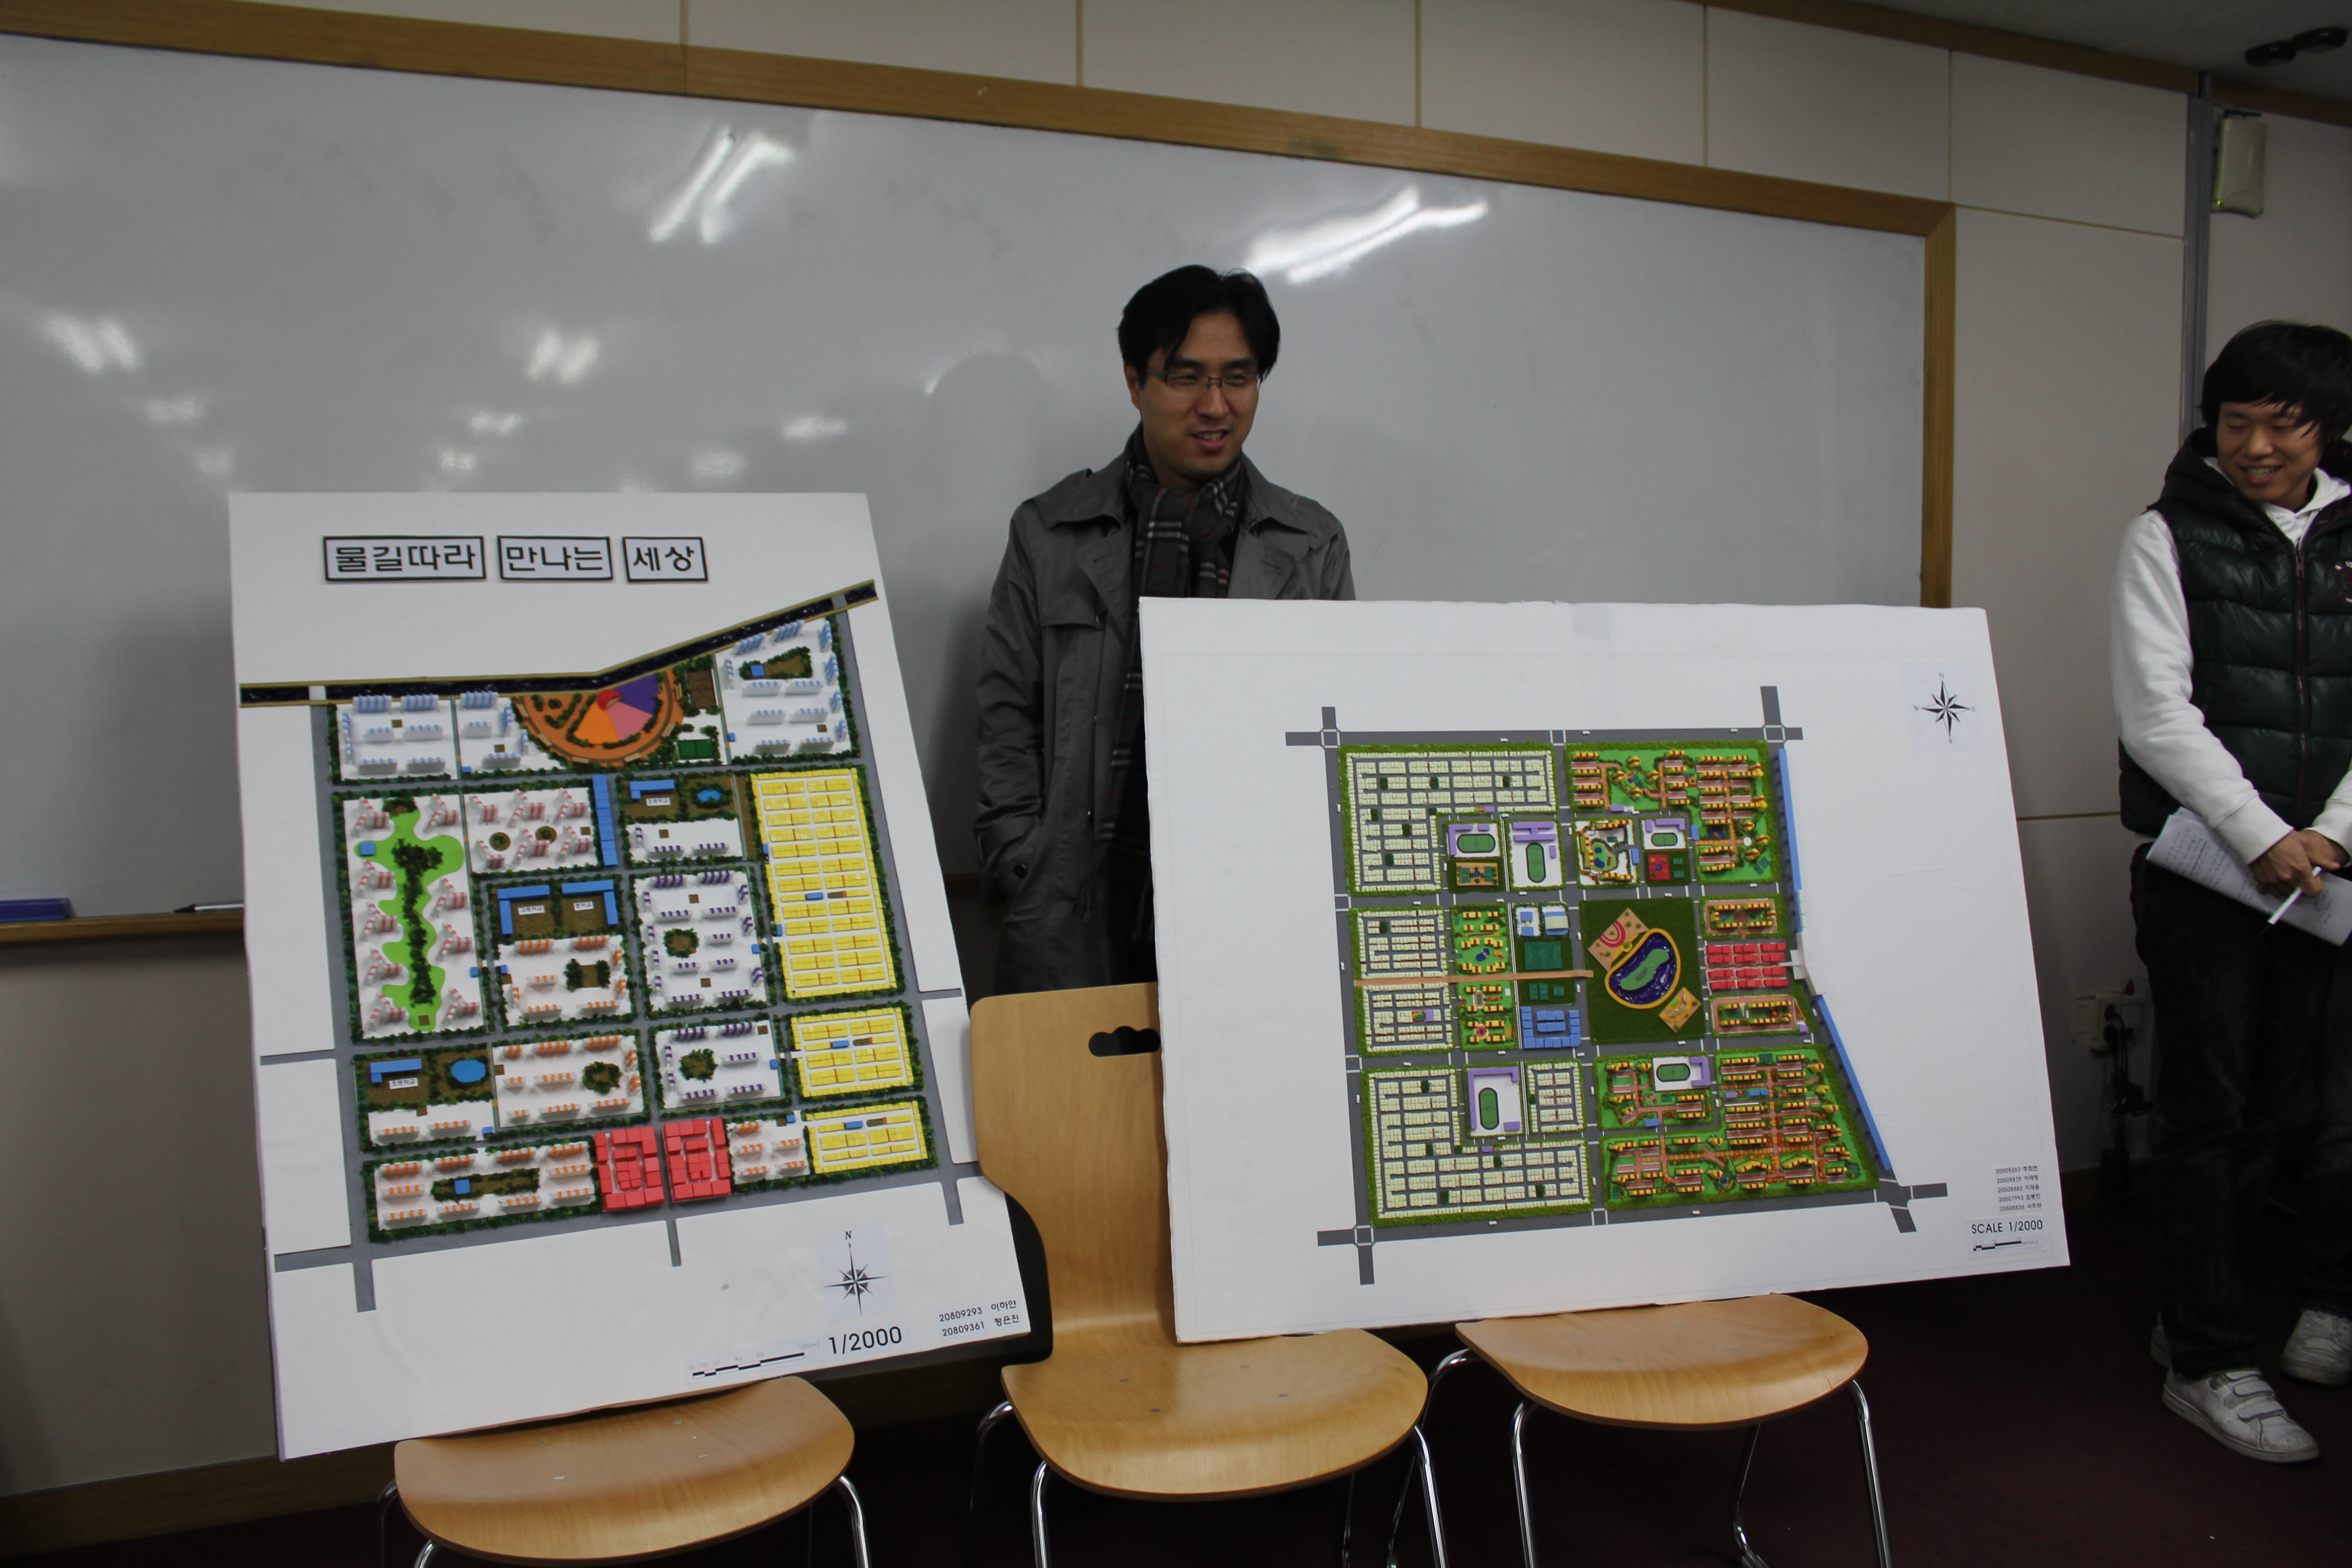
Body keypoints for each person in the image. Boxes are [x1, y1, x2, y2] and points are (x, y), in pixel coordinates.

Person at [974, 266, 1354, 993]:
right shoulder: (1050, 534)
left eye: (1238, 378)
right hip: (1075, 898)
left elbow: (1334, 733)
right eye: (1186, 377)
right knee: (1072, 1070)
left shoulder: (1311, 545)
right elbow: (1006, 716)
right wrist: (1020, 854)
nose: (1215, 405)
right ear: (1134, 381)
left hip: (1247, 904)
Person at [2113, 319, 2352, 1464]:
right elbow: (2156, 714)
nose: (2255, 445)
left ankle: (2200, 1307)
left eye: (2283, 424)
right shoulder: (2166, 534)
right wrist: (2260, 834)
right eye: (2236, 421)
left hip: (2325, 875)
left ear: (2329, 429)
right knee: (2204, 1113)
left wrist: (2330, 838)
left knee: (2281, 1111)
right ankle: (2207, 1359)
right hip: (2207, 870)